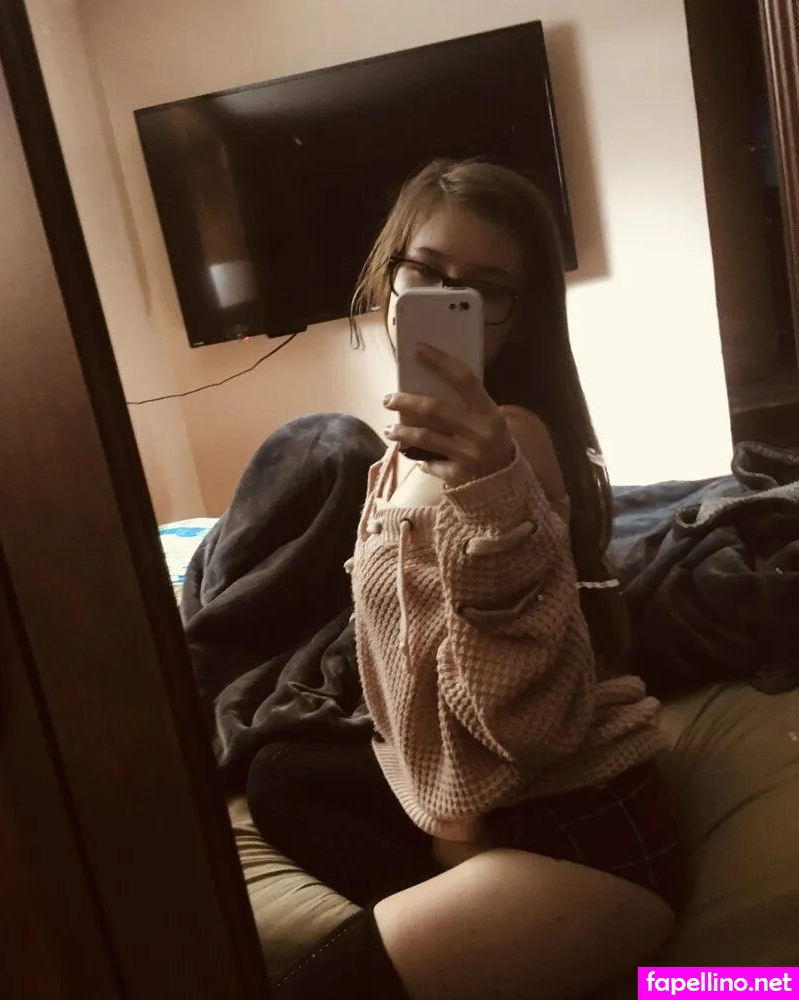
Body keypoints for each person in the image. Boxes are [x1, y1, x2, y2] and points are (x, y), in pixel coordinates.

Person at [247, 159, 688, 1000]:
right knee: (279, 773)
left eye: (484, 289)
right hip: (484, 802)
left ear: (517, 319)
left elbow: (530, 728)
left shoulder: (510, 448)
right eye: (427, 273)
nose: (450, 300)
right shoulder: (399, 456)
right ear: (389, 278)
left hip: (578, 837)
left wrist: (496, 500)